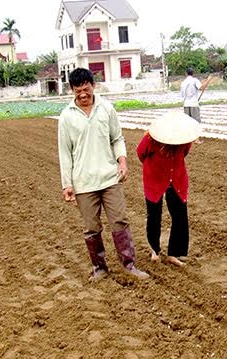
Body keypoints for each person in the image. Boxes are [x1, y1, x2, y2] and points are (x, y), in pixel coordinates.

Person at [58, 67, 149, 281]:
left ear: (93, 86)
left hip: (110, 178)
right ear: (72, 90)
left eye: (86, 89)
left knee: (120, 221)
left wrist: (122, 162)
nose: (83, 94)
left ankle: (129, 264)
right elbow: (64, 153)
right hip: (83, 182)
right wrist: (67, 184)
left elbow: (117, 138)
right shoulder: (66, 116)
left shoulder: (106, 108)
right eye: (78, 90)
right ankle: (99, 267)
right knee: (91, 227)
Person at [136, 111, 199, 267]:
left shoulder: (184, 140)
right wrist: (154, 168)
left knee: (180, 216)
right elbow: (141, 153)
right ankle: (154, 250)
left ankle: (174, 253)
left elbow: (184, 153)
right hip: (154, 179)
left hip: (177, 179)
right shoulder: (150, 139)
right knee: (154, 216)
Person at [180, 68, 210, 144]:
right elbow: (202, 87)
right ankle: (196, 139)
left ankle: (188, 139)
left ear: (186, 73)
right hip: (193, 104)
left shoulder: (183, 83)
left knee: (188, 122)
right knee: (196, 122)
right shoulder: (194, 80)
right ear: (193, 73)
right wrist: (208, 81)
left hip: (186, 104)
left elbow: (182, 95)